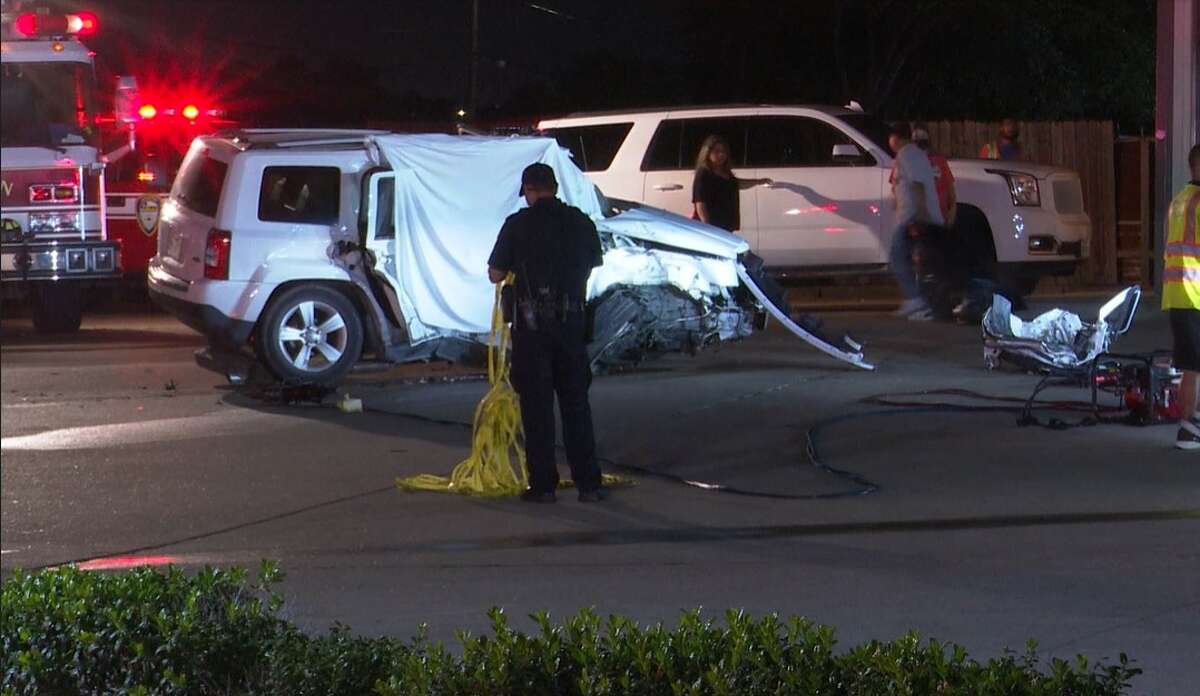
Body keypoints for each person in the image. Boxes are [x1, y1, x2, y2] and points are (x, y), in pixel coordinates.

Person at [487, 163, 608, 502]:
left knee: (537, 409)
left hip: (532, 330)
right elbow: (594, 264)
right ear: (555, 188)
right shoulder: (581, 222)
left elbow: (495, 273)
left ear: (528, 190)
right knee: (576, 407)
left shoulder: (518, 225)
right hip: (572, 326)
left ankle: (543, 486)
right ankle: (589, 484)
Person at [1163, 144, 1200, 450]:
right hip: (1194, 295)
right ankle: (1189, 427)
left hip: (1178, 294)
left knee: (1192, 364)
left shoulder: (1179, 201)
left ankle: (1191, 423)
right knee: (1193, 364)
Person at [887, 121, 944, 320]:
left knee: (897, 257)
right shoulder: (910, 155)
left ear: (896, 138)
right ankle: (919, 302)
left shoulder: (908, 154)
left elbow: (918, 184)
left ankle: (916, 300)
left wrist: (920, 214)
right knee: (916, 262)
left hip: (913, 217)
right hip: (911, 216)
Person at [691, 134, 771, 233]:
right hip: (713, 227)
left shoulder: (724, 172)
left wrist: (758, 181)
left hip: (726, 225)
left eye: (723, 151)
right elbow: (700, 204)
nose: (721, 154)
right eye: (716, 151)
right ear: (707, 152)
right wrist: (708, 228)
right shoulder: (704, 174)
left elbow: (736, 184)